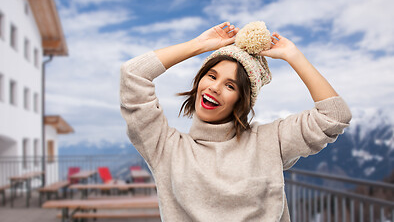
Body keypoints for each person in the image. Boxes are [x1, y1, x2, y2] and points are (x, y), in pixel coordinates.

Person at [120, 22, 351, 221]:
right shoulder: (166, 148)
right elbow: (133, 74)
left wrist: (293, 55)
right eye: (211, 76)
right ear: (199, 81)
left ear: (242, 101)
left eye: (230, 86)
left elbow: (334, 115)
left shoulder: (270, 141)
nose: (214, 88)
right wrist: (199, 45)